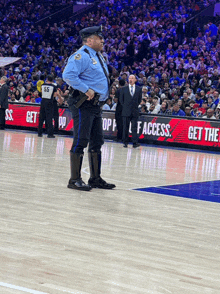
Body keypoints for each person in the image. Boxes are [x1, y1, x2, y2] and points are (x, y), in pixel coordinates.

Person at [62, 25, 115, 191]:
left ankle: (95, 178)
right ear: (90, 40)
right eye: (100, 38)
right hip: (83, 103)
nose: (103, 41)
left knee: (97, 141)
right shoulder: (81, 56)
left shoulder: (98, 56)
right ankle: (74, 179)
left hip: (96, 105)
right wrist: (86, 89)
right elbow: (68, 75)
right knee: (81, 140)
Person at [119, 74, 142, 148]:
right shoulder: (124, 89)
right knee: (125, 127)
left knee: (134, 127)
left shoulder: (139, 89)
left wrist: (134, 106)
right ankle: (125, 142)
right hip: (126, 111)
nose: (131, 79)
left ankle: (135, 142)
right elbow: (121, 100)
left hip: (134, 111)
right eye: (130, 78)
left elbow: (139, 100)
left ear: (135, 80)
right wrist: (126, 107)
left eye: (132, 78)